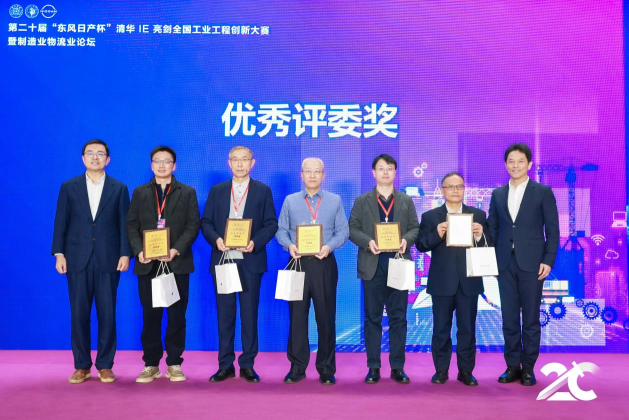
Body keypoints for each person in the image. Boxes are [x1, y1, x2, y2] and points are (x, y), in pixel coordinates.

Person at [52, 139, 131, 384]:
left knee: (107, 314)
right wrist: (59, 253)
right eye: (90, 153)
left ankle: (105, 365)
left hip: (109, 259)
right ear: (83, 158)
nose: (95, 157)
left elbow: (124, 224)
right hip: (77, 258)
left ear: (108, 159)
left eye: (100, 154)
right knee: (79, 314)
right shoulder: (69, 186)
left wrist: (125, 253)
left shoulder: (119, 188)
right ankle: (82, 366)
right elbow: (61, 222)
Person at [201, 146, 278, 383]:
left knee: (249, 314)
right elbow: (206, 222)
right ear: (229, 163)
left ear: (252, 163)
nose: (240, 164)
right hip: (223, 260)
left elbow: (271, 224)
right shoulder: (217, 190)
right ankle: (225, 365)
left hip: (250, 261)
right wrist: (217, 240)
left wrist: (255, 243)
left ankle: (247, 365)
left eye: (244, 159)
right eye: (235, 160)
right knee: (225, 315)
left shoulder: (263, 191)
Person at [487, 143, 559, 386]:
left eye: (520, 161)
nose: (515, 165)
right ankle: (512, 366)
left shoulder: (542, 192)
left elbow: (553, 230)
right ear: (505, 164)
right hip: (504, 263)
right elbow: (493, 229)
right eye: (511, 161)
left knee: (530, 318)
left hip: (533, 263)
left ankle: (528, 367)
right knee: (508, 317)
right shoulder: (497, 194)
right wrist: (490, 261)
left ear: (529, 164)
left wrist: (548, 260)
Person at [126, 146, 200, 383]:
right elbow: (131, 225)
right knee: (151, 316)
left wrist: (175, 249)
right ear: (151, 165)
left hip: (176, 264)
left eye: (166, 161)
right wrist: (139, 251)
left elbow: (193, 226)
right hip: (148, 265)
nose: (161, 165)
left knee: (177, 316)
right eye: (157, 161)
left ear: (174, 165)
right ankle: (151, 364)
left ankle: (174, 363)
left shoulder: (187, 192)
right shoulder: (140, 192)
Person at [276, 157, 349, 385]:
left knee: (325, 317)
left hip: (324, 263)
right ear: (302, 175)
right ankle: (297, 367)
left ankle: (326, 368)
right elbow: (281, 230)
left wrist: (329, 247)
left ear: (323, 175)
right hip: (297, 263)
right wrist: (290, 245)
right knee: (297, 317)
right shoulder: (290, 201)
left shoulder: (335, 200)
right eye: (308, 171)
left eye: (317, 171)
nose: (313, 175)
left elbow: (343, 231)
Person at [348, 154, 419, 384]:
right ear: (374, 173)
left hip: (399, 263)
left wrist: (406, 240)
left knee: (399, 318)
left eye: (389, 168)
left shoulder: (406, 200)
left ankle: (397, 367)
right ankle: (373, 367)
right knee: (373, 318)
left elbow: (415, 228)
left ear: (395, 172)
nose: (385, 172)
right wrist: (368, 241)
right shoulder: (362, 201)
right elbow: (352, 229)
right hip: (373, 265)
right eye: (381, 168)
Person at [415, 172, 487, 386]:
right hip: (441, 281)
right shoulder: (430, 217)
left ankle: (466, 371)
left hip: (469, 280)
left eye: (460, 186)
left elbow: (489, 244)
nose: (456, 190)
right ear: (442, 190)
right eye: (451, 186)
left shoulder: (478, 215)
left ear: (464, 190)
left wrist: (479, 235)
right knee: (441, 329)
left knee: (467, 329)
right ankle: (441, 371)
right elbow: (421, 245)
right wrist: (437, 234)